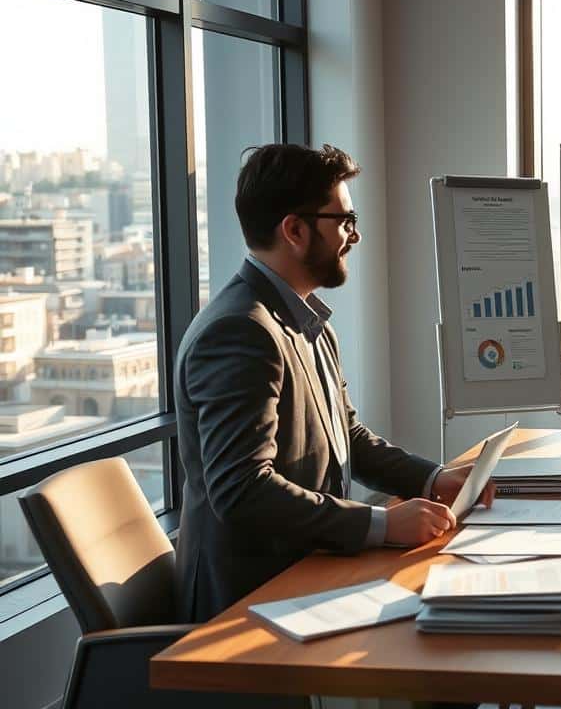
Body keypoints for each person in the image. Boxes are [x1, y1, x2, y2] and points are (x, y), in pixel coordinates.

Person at [174, 143, 492, 623]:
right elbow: (242, 489)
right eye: (344, 220)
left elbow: (349, 438)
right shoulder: (240, 331)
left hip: (307, 572)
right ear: (296, 230)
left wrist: (434, 479)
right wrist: (382, 523)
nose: (355, 235)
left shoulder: (303, 319)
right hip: (250, 604)